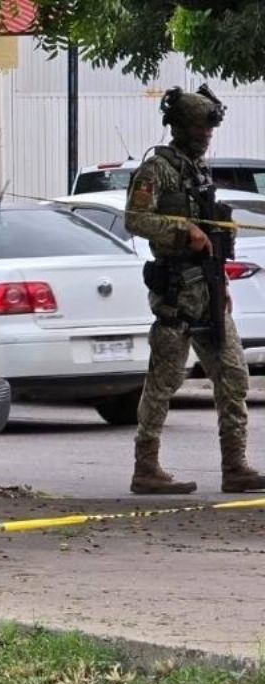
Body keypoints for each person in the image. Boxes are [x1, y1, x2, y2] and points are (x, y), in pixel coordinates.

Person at [125, 85, 265, 495]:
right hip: (176, 292)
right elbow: (136, 219)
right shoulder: (157, 170)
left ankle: (235, 466)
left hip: (209, 288)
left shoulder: (198, 170)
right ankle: (145, 467)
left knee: (234, 376)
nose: (206, 137)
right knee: (164, 380)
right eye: (200, 129)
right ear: (181, 128)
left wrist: (220, 280)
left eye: (209, 130)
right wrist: (182, 229)